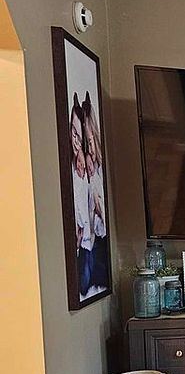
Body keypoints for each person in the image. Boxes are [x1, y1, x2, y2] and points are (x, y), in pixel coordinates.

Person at [82, 92, 109, 289]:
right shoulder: (87, 176)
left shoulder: (99, 173)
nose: (88, 149)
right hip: (90, 243)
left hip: (98, 243)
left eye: (90, 142)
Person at [70, 94, 95, 296]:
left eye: (81, 137)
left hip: (89, 243)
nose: (77, 142)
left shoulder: (90, 170)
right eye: (74, 134)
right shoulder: (69, 175)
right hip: (81, 245)